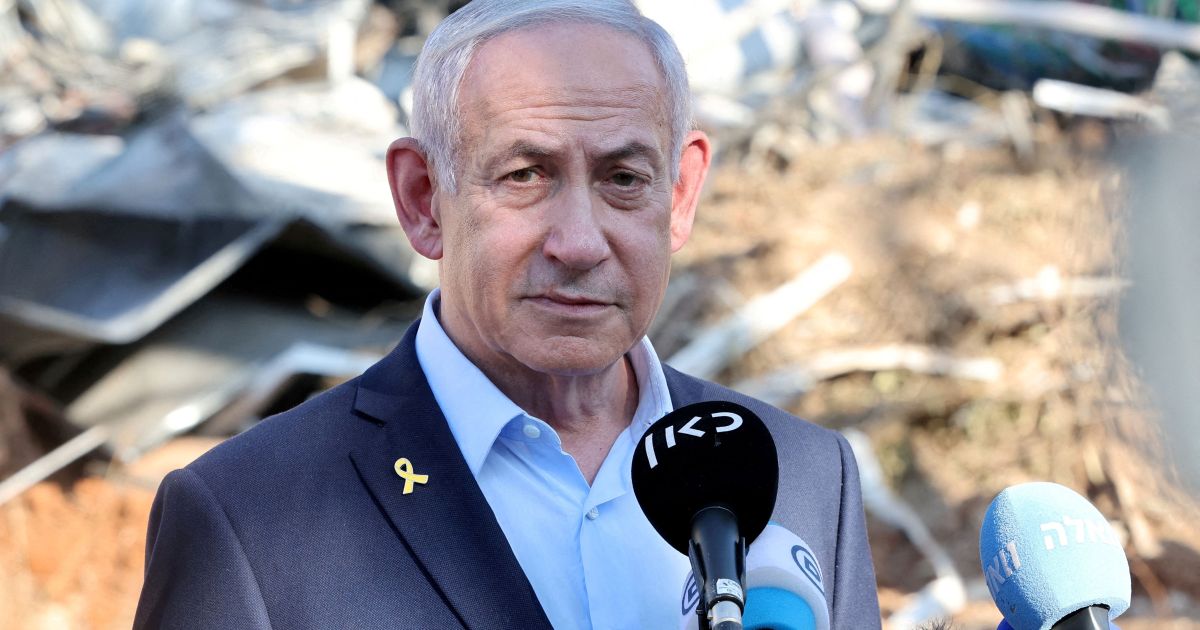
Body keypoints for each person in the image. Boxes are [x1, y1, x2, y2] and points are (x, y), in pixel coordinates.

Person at [134, 1, 881, 628]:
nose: (579, 243)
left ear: (680, 195)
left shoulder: (808, 478)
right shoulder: (249, 516)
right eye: (525, 175)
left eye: (624, 178)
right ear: (424, 200)